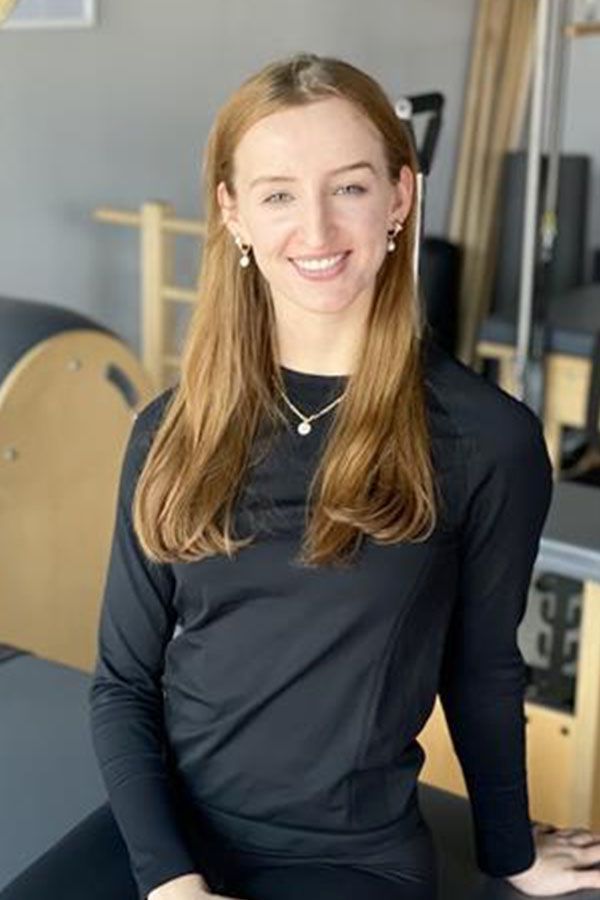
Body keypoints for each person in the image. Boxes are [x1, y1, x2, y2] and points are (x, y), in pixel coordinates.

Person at [82, 52, 600, 900]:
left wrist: (508, 851)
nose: (316, 231)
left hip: (350, 858)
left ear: (400, 197)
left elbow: (483, 669)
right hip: (167, 836)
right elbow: (125, 682)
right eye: (279, 192)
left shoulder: (486, 440)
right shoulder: (171, 430)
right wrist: (170, 881)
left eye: (350, 187)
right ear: (234, 213)